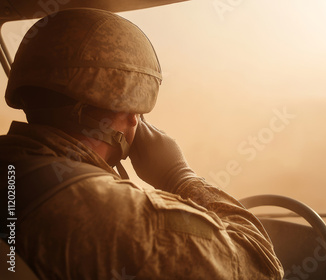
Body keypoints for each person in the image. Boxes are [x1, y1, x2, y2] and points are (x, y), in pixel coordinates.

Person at [0, 8, 283, 279]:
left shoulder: (13, 167)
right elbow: (260, 267)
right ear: (131, 115)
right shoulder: (116, 213)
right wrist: (179, 176)